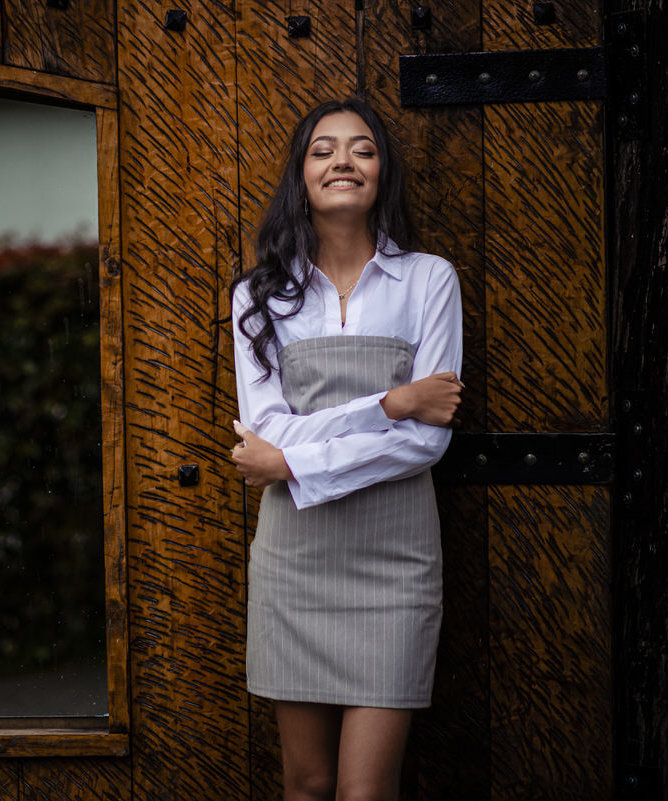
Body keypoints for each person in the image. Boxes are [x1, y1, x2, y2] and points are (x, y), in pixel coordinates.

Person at [229, 98, 464, 801]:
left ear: (381, 172)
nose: (342, 161)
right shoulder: (259, 297)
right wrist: (390, 402)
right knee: (307, 782)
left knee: (365, 789)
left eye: (361, 148)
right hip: (295, 563)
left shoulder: (429, 280)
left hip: (396, 564)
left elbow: (425, 442)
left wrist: (292, 462)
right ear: (301, 176)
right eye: (323, 149)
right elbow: (268, 432)